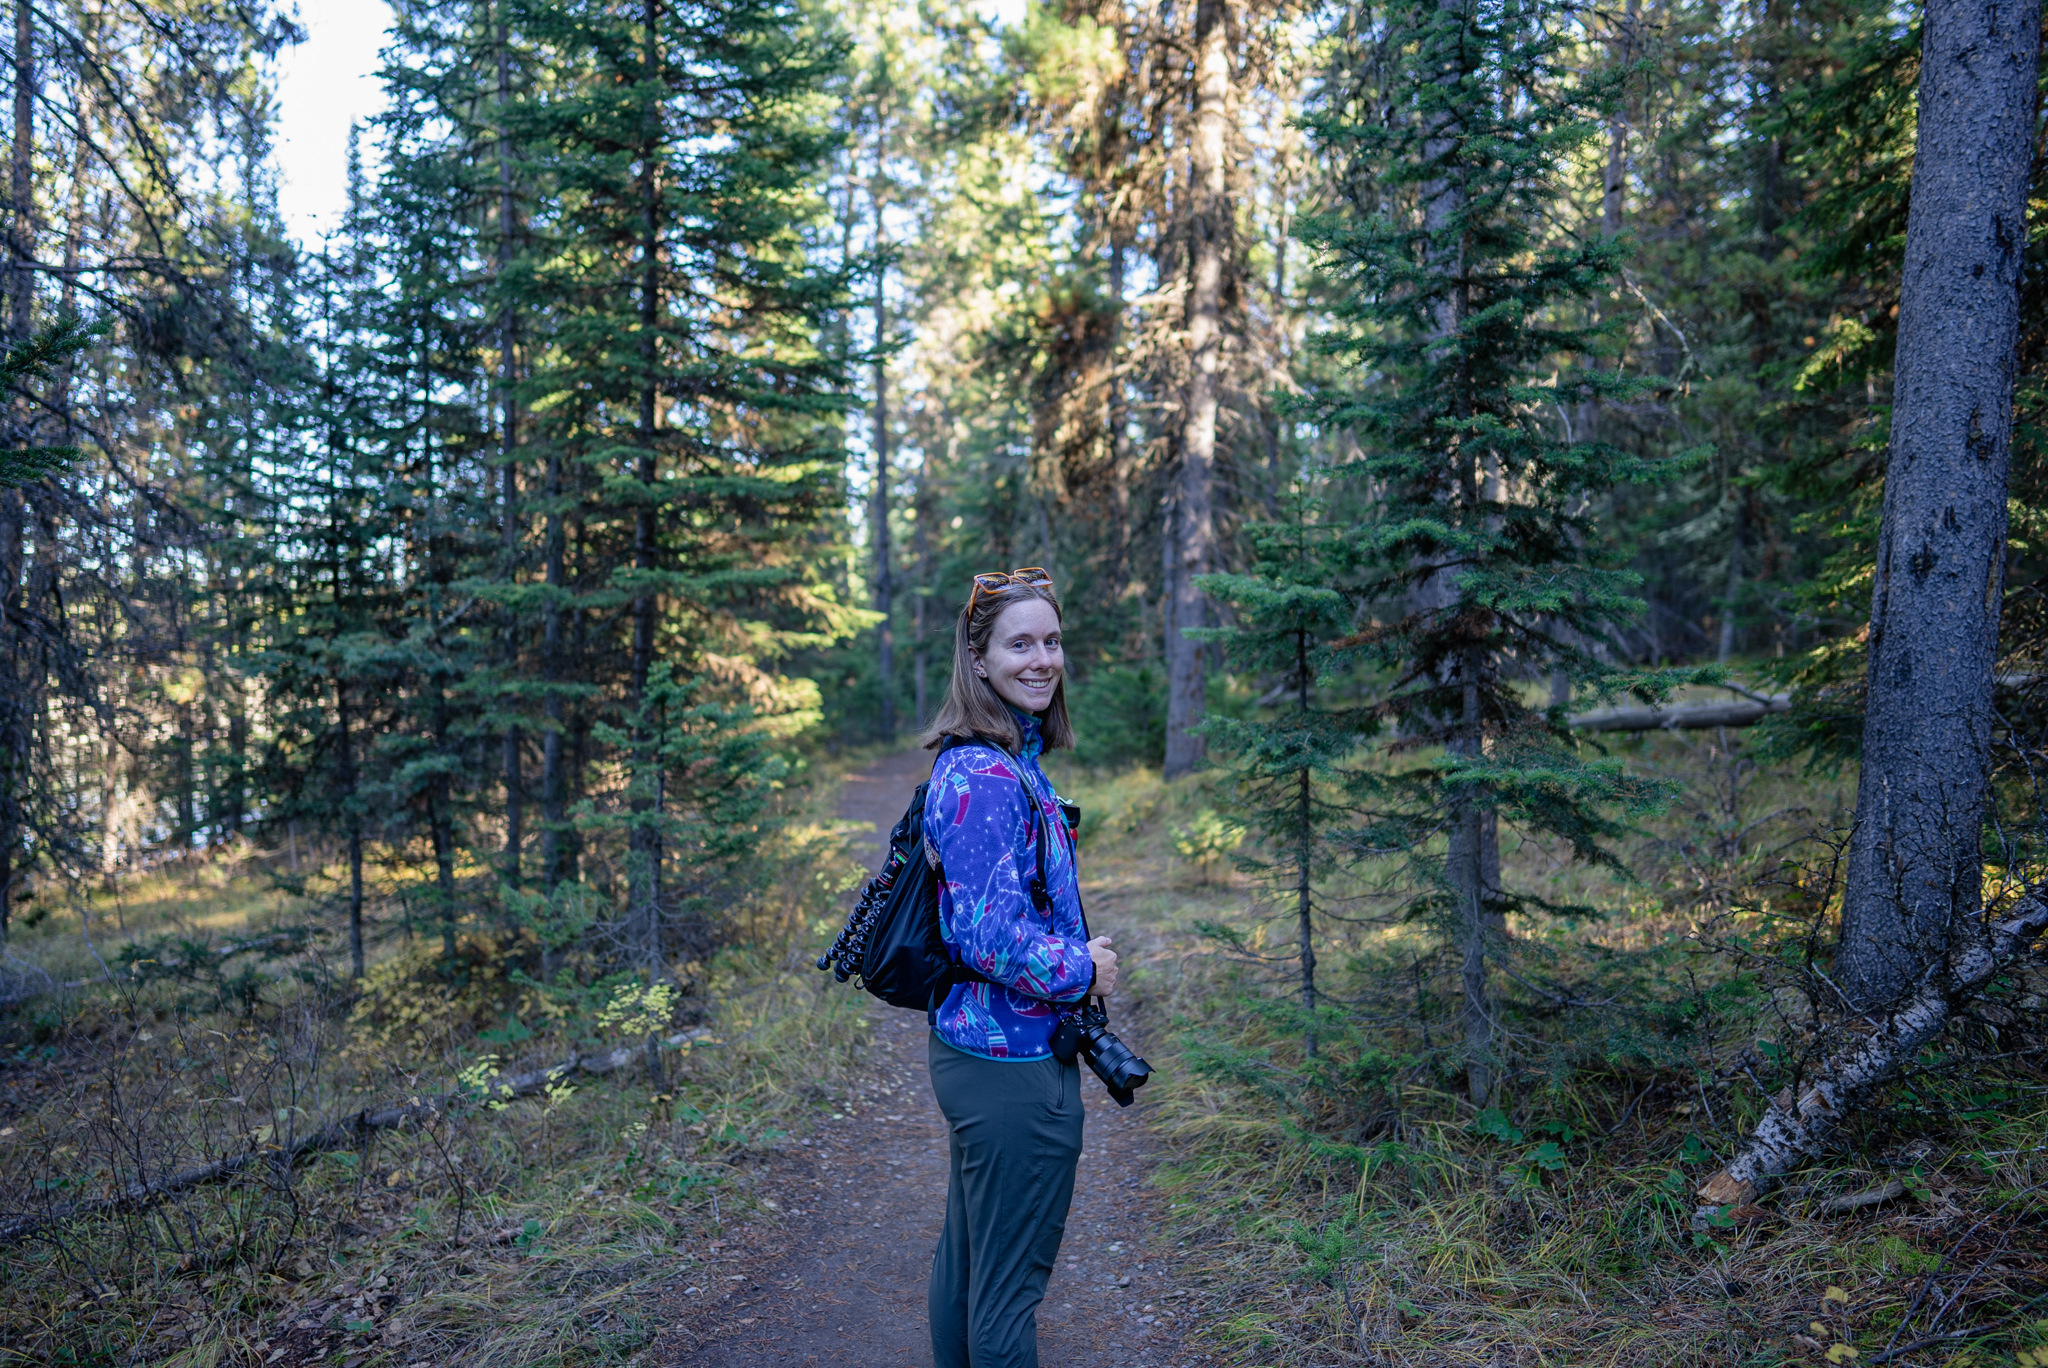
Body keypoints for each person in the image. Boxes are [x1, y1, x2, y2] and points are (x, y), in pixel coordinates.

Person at [919, 566, 1119, 1368]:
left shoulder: (1009, 760)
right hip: (1011, 1065)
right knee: (1007, 1296)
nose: (1042, 659)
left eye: (1052, 640)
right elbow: (984, 936)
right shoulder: (984, 775)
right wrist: (1083, 967)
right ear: (979, 659)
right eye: (1019, 644)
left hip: (989, 1052)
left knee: (969, 1266)